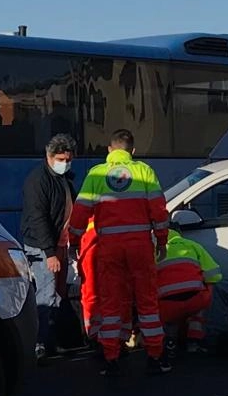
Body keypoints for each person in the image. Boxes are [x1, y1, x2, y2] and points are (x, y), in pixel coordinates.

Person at [69, 129, 171, 377]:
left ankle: (111, 359)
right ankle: (155, 357)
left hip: (109, 248)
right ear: (132, 151)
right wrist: (161, 241)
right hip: (140, 247)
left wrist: (73, 241)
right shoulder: (144, 172)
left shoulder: (97, 174)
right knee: (147, 302)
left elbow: (80, 212)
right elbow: (159, 212)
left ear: (109, 150)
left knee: (110, 303)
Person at [21, 133, 76, 361]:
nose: (65, 163)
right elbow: (38, 219)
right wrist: (50, 253)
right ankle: (39, 344)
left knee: (57, 293)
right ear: (49, 156)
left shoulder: (62, 179)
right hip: (44, 247)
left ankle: (50, 341)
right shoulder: (39, 181)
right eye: (61, 159)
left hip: (59, 245)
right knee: (46, 294)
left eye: (68, 159)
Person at [156, 223, 223, 359]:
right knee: (207, 291)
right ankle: (194, 340)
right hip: (195, 301)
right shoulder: (193, 245)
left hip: (167, 306)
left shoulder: (154, 250)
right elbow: (214, 275)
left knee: (170, 318)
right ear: (179, 232)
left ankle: (170, 342)